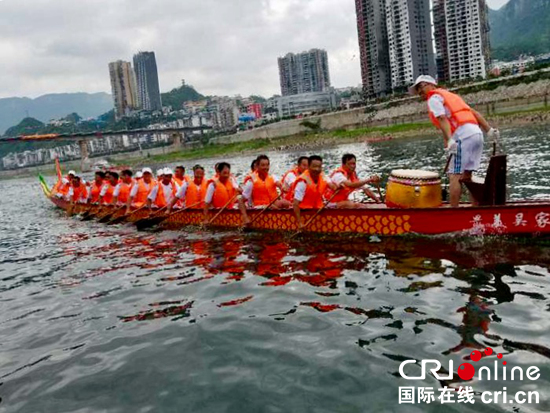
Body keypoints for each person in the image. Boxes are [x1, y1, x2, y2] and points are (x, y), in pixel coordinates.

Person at [410, 75, 499, 207]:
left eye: (421, 87)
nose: (420, 91)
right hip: (477, 135)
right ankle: (476, 208)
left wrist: (451, 140)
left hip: (463, 137)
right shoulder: (452, 96)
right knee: (468, 175)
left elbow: (442, 119)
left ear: (432, 85)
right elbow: (473, 113)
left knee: (454, 176)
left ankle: (454, 211)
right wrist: (489, 130)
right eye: (418, 89)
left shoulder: (433, 98)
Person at [293, 155, 340, 229]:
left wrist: (338, 187)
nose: (317, 169)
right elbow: (295, 204)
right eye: (314, 166)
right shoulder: (303, 181)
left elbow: (333, 187)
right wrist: (300, 223)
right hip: (304, 212)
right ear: (308, 167)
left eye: (319, 167)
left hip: (318, 209)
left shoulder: (323, 176)